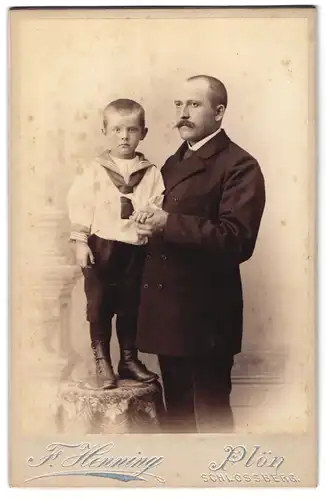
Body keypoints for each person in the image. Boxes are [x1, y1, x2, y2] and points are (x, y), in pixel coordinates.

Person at [131, 75, 266, 432]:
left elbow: (237, 239)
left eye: (194, 104)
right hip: (168, 313)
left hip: (207, 318)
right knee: (177, 418)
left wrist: (167, 224)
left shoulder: (240, 165)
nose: (182, 113)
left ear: (219, 112)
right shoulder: (172, 163)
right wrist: (149, 228)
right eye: (179, 104)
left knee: (211, 419)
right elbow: (167, 225)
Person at [67, 98, 164, 390]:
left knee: (130, 305)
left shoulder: (150, 172)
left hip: (134, 248)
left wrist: (150, 213)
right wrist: (81, 243)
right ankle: (102, 361)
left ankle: (128, 359)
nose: (124, 136)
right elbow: (81, 204)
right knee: (99, 305)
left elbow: (157, 200)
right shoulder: (94, 170)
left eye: (132, 130)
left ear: (143, 133)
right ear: (105, 131)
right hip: (101, 247)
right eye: (118, 130)